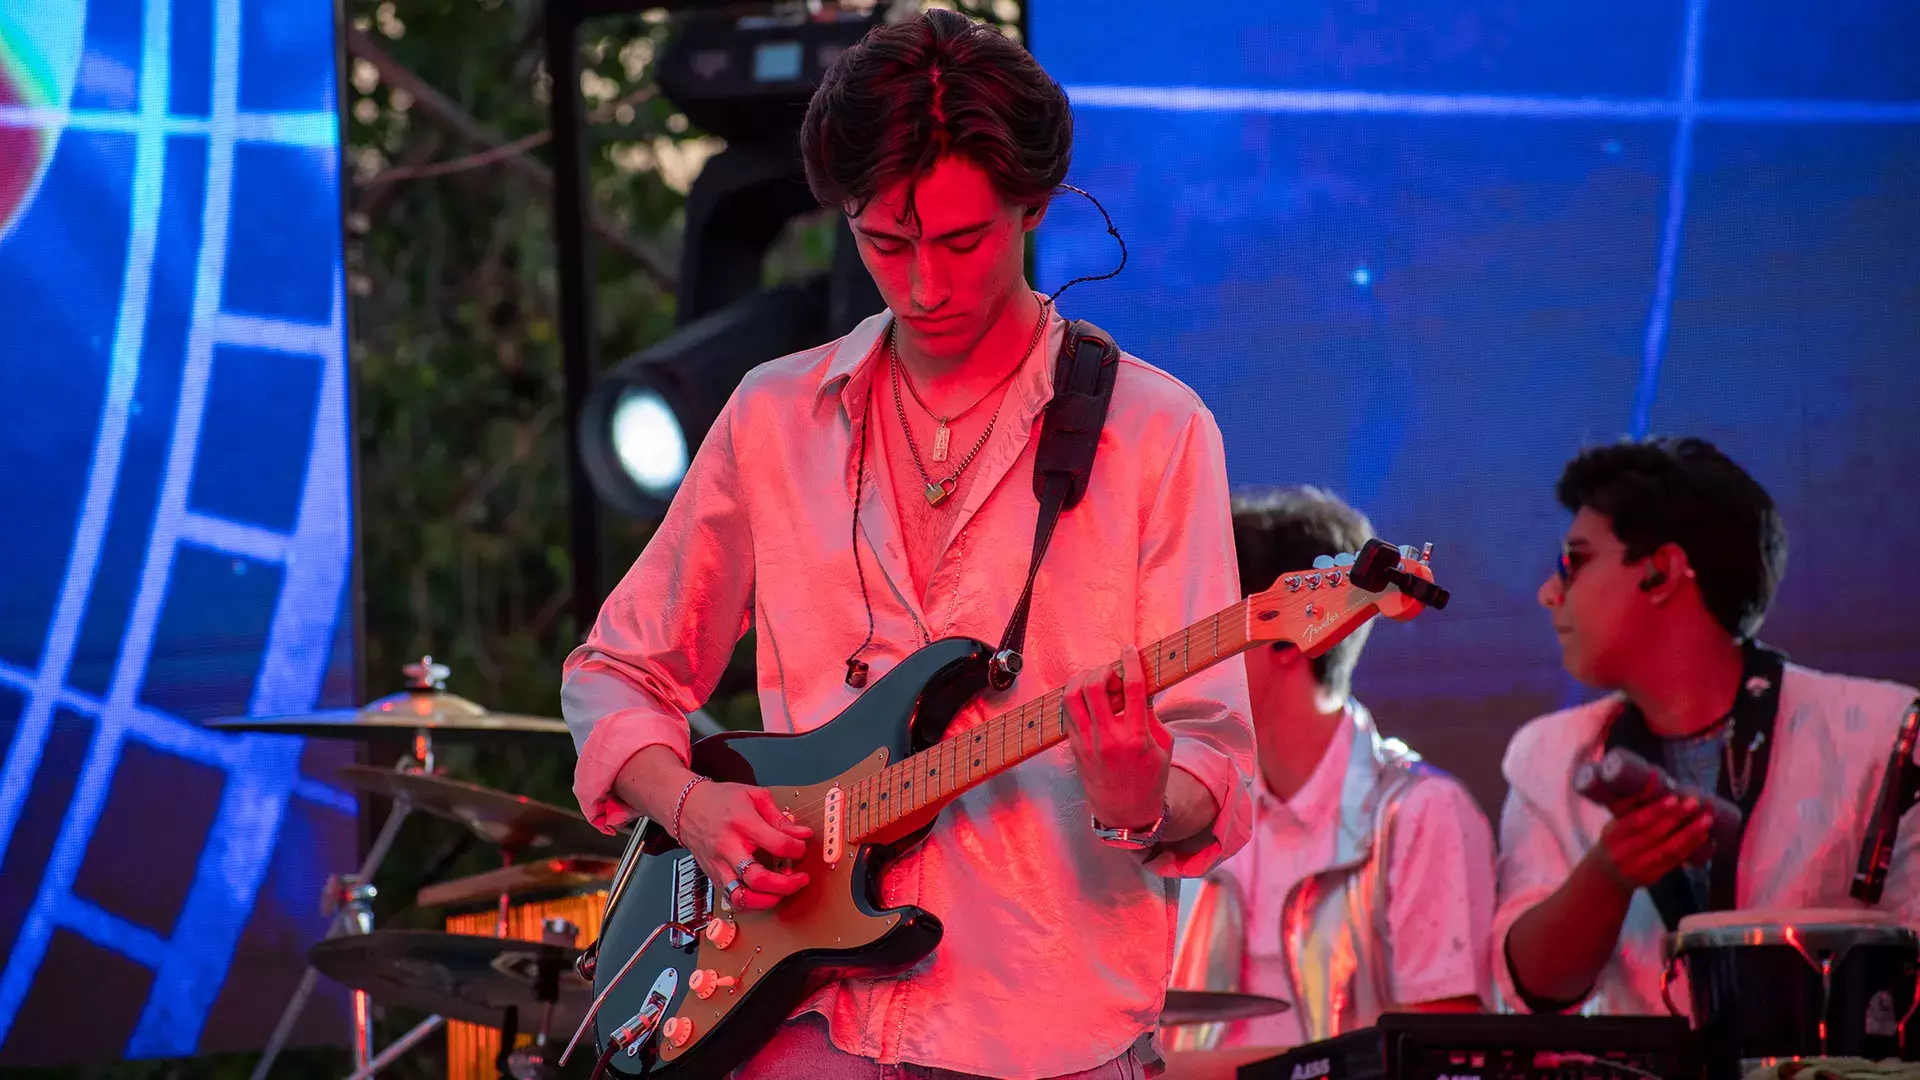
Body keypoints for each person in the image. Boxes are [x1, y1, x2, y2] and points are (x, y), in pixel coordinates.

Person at [561, 11, 1255, 1080]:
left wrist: (1138, 794)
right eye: (886, 242)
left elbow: (1212, 755)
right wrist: (695, 809)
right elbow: (619, 673)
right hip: (794, 1028)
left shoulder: (1155, 434)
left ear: (1033, 208)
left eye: (964, 241)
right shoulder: (772, 415)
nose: (924, 285)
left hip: (1041, 1034)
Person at [1495, 437, 1920, 1014]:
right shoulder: (1548, 755)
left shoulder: (1888, 736)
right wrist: (1608, 873)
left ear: (1661, 572)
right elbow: (1532, 988)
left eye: (1575, 560)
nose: (1549, 592)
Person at [1170, 487, 1495, 1049]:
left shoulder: (1421, 814)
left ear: (1288, 637)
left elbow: (1445, 1053)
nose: (1188, 651)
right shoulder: (1189, 803)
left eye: (1210, 627)